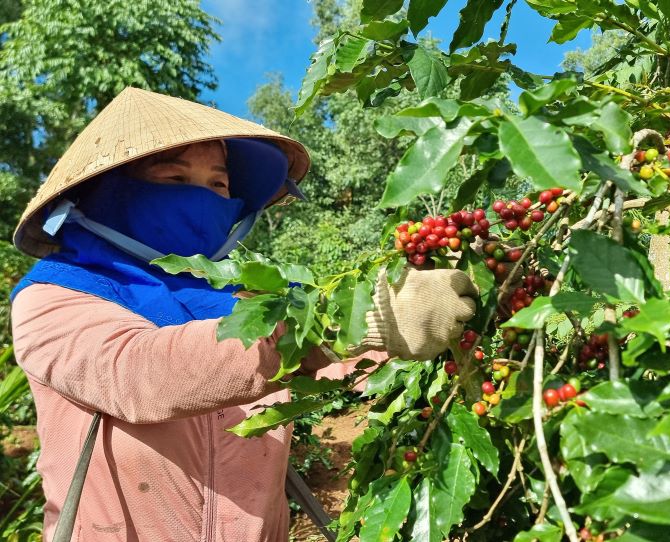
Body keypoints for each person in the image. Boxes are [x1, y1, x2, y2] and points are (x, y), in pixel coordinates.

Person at [9, 87, 477, 541]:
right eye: (174, 180)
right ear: (105, 194)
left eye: (219, 184)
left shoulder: (248, 297)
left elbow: (346, 362)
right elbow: (141, 372)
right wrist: (341, 322)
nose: (205, 199)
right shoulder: (52, 298)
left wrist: (446, 302)